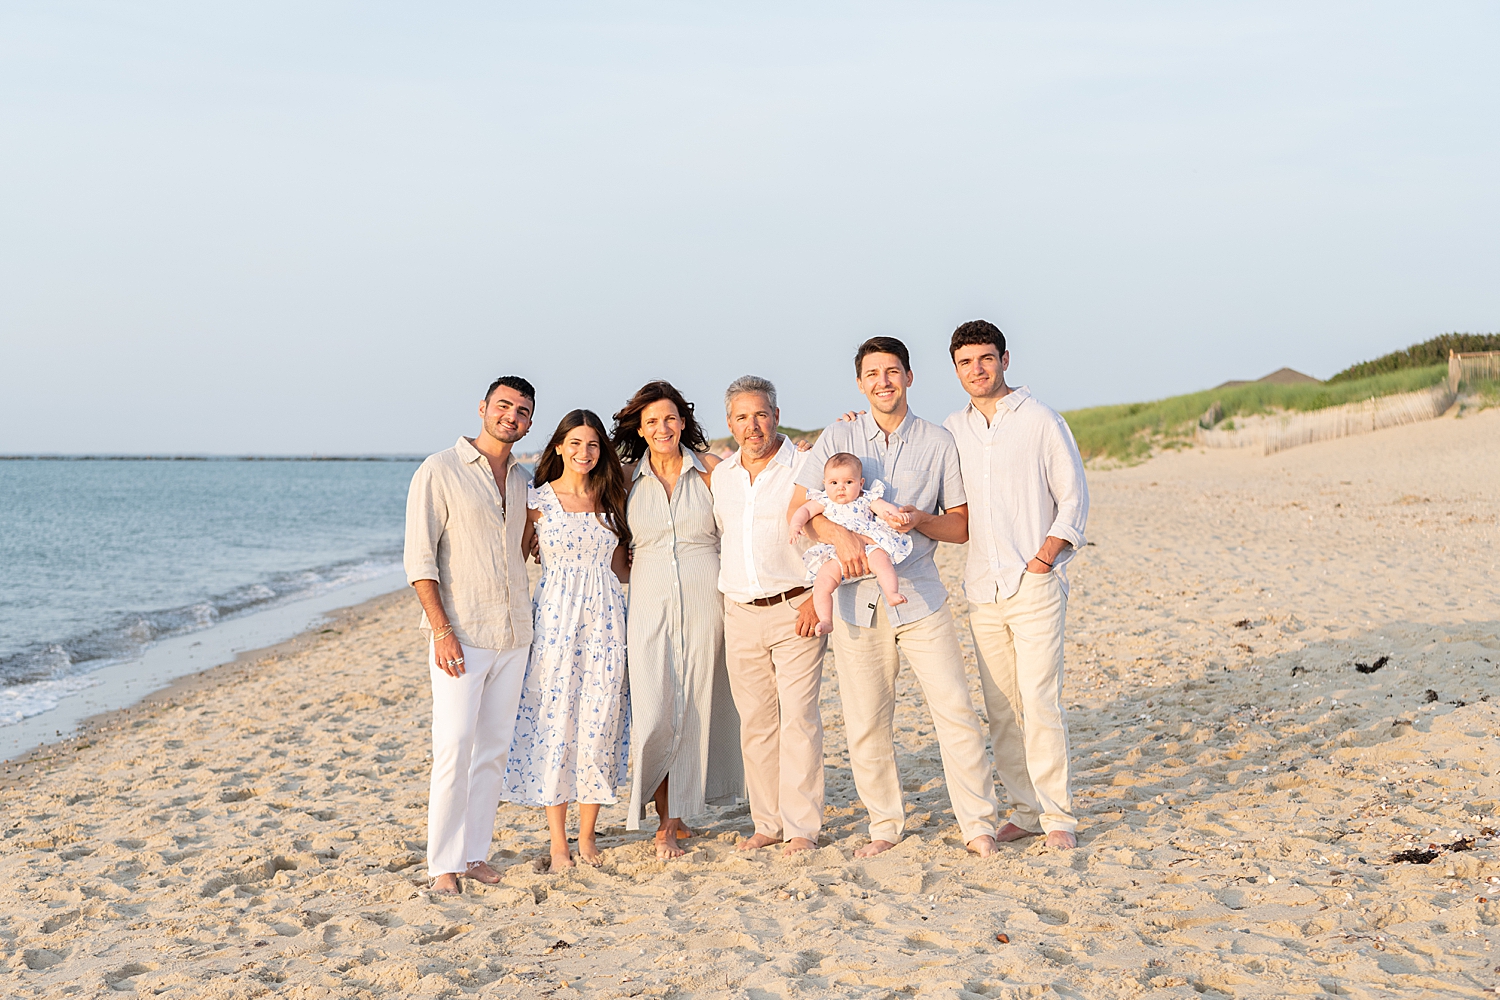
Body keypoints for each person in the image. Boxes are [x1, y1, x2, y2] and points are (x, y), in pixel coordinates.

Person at [789, 337, 1001, 859]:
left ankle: (978, 825)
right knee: (865, 722)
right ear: (860, 383)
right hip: (854, 603)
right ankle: (884, 825)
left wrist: (917, 519)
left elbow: (959, 527)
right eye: (872, 374)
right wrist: (844, 540)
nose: (883, 381)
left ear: (909, 376)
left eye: (892, 371)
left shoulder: (938, 440)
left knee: (955, 710)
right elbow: (800, 511)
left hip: (920, 594)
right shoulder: (837, 434)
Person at [943, 320, 1089, 851]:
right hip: (982, 589)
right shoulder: (951, 429)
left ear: (1005, 359)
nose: (976, 370)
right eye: (965, 362)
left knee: (1039, 701)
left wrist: (1046, 557)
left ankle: (1057, 817)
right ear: (955, 369)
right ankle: (1025, 811)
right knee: (1001, 708)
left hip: (1034, 585)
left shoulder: (1041, 420)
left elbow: (1073, 497)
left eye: (985, 358)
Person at [404, 375, 537, 894]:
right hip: (461, 632)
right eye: (503, 405)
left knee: (493, 751)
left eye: (523, 410)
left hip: (513, 634)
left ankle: (475, 853)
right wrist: (441, 630)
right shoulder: (440, 469)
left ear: (529, 421)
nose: (512, 416)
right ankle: (443, 865)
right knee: (454, 747)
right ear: (482, 408)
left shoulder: (524, 479)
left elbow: (523, 549)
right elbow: (419, 558)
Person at [612, 380, 744, 859]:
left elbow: (757, 504)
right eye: (652, 422)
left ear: (683, 422)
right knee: (654, 712)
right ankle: (663, 812)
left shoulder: (712, 471)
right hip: (647, 605)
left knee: (694, 708)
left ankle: (674, 821)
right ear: (641, 430)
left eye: (670, 418)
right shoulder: (626, 479)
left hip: (705, 601)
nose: (662, 428)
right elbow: (589, 522)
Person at [503, 409, 633, 871]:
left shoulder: (614, 498)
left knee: (599, 725)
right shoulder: (537, 501)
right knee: (554, 726)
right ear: (558, 446)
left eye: (593, 445)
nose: (584, 452)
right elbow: (515, 562)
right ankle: (558, 842)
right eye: (575, 443)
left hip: (606, 620)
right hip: (555, 620)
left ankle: (587, 837)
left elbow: (621, 569)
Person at [711, 376, 828, 856]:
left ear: (776, 416)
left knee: (799, 718)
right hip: (739, 612)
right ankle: (767, 823)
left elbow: (827, 531)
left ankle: (801, 828)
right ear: (730, 423)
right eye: (742, 417)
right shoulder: (722, 476)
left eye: (760, 414)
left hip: (795, 607)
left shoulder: (804, 465)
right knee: (756, 721)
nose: (752, 425)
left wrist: (814, 597)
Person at [790, 451, 912, 633]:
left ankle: (891, 593)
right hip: (834, 552)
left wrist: (894, 516)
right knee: (822, 583)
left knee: (882, 562)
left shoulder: (866, 498)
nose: (841, 488)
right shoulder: (823, 500)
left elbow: (885, 509)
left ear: (860, 483)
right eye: (834, 483)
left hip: (868, 546)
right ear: (825, 484)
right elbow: (804, 512)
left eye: (848, 482)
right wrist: (796, 525)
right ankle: (825, 619)